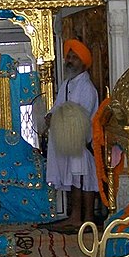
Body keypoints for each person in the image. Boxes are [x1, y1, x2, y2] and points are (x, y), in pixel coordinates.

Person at [45, 39, 99, 230]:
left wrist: (60, 117)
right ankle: (75, 217)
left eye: (74, 57)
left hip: (82, 142)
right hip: (68, 140)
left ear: (83, 63)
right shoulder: (67, 84)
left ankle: (88, 219)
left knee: (85, 180)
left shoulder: (87, 88)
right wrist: (50, 116)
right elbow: (59, 107)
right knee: (75, 180)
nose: (70, 60)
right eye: (69, 56)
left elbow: (80, 116)